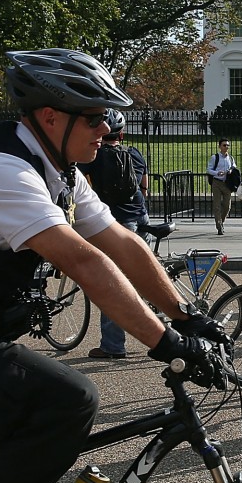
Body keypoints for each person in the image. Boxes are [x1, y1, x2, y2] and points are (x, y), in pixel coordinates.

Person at [0, 48, 231, 483]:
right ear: (51, 116)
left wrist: (189, 314)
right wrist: (166, 342)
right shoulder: (1, 167)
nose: (107, 131)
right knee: (67, 398)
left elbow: (119, 242)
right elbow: (82, 261)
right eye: (95, 119)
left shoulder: (58, 167)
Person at [77, 109, 147, 359]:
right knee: (145, 273)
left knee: (111, 283)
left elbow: (83, 188)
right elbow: (144, 187)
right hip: (140, 216)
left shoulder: (93, 156)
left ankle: (113, 346)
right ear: (123, 134)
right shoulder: (134, 154)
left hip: (115, 221)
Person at [207, 138, 238, 235]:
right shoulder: (215, 157)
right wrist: (217, 173)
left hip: (227, 183)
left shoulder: (231, 158)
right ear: (219, 146)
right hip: (217, 182)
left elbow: (234, 167)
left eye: (228, 145)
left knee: (227, 206)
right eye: (224, 145)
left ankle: (221, 221)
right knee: (217, 206)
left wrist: (231, 171)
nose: (226, 147)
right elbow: (209, 170)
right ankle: (219, 226)